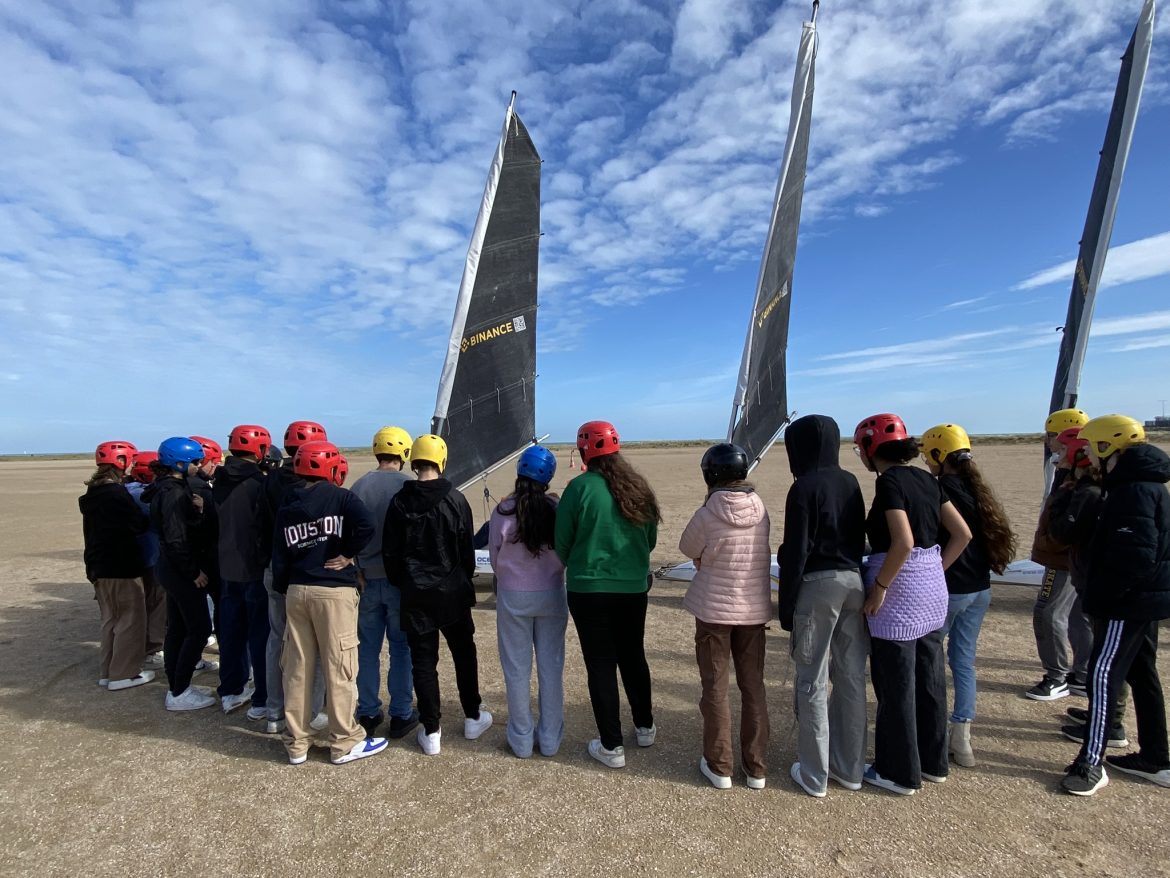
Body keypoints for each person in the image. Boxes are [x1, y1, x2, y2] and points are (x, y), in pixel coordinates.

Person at [854, 413, 972, 795]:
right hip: (932, 593)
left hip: (900, 599)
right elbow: (962, 534)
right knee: (930, 678)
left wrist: (882, 586)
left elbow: (902, 541)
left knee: (896, 683)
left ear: (872, 449)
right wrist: (934, 569)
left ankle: (899, 772)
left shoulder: (889, 482)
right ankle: (933, 762)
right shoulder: (927, 479)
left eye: (860, 449)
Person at [1061, 415, 1170, 795]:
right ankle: (1155, 757)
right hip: (1143, 600)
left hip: (1126, 605)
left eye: (1092, 448)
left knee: (1103, 674)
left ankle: (1091, 763)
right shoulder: (1139, 486)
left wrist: (1106, 598)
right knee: (1142, 674)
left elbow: (1134, 557)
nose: (1088, 455)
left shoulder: (1133, 492)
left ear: (1109, 447)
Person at [272, 439, 387, 766]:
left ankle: (297, 744)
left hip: (297, 591)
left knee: (297, 668)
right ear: (331, 468)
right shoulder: (342, 497)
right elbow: (367, 525)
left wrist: (286, 587)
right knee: (340, 666)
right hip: (333, 593)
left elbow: (279, 553)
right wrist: (348, 554)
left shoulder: (288, 504)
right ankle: (343, 742)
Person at [555, 421, 659, 769]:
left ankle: (612, 746)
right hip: (632, 589)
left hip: (587, 590)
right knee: (633, 656)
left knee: (600, 664)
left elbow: (562, 542)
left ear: (585, 450)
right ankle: (645, 726)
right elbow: (650, 541)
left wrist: (583, 564)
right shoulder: (638, 487)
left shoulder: (578, 488)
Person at [384, 434, 492, 756]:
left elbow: (390, 553)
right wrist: (462, 577)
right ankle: (473, 716)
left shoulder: (399, 502)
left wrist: (403, 582)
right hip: (453, 593)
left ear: (414, 461)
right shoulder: (456, 500)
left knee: (423, 662)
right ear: (441, 461)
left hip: (416, 595)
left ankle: (431, 731)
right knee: (463, 654)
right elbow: (466, 551)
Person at [777, 415, 867, 796]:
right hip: (854, 582)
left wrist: (786, 607)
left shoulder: (803, 488)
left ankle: (814, 774)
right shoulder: (850, 481)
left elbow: (796, 552)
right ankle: (850, 769)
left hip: (819, 587)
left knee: (811, 679)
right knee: (850, 677)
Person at [921, 423, 1016, 768]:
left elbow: (956, 537)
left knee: (929, 660)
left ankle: (930, 732)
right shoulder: (978, 490)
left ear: (938, 455)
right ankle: (962, 739)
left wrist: (936, 570)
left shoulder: (941, 488)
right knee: (963, 662)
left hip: (953, 590)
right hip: (980, 589)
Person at [679, 443, 771, 790]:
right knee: (753, 688)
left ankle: (720, 767)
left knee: (715, 688)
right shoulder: (761, 509)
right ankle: (757, 768)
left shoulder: (708, 512)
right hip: (753, 611)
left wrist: (706, 557)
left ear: (710, 474)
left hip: (714, 613)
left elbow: (688, 548)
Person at [1046, 429, 1128, 748]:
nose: (1059, 453)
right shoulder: (1096, 489)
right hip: (1093, 581)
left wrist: (1063, 494)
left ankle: (1109, 722)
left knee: (1108, 657)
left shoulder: (1089, 492)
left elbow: (1061, 531)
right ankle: (1103, 713)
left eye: (1065, 449)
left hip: (1104, 587)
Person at [489, 445, 567, 759]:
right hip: (551, 593)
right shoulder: (556, 508)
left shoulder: (503, 510)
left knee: (516, 670)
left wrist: (509, 575)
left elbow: (495, 555)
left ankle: (521, 740)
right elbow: (565, 549)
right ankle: (549, 739)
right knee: (551, 667)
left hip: (512, 596)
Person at [349, 426, 418, 739]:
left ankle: (367, 711)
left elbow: (349, 534)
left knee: (367, 650)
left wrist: (359, 569)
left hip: (365, 580)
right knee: (401, 649)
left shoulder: (359, 486)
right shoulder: (409, 486)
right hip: (399, 583)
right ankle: (401, 713)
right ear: (403, 454)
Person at [263, 420, 328, 734]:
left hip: (273, 568)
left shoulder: (267, 480)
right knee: (308, 645)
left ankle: (274, 712)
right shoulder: (314, 487)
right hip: (305, 572)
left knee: (277, 639)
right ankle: (311, 712)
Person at [143, 437, 217, 711]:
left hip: (168, 568)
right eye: (196, 462)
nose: (199, 466)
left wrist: (196, 510)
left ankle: (176, 684)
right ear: (180, 463)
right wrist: (193, 571)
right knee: (198, 629)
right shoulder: (174, 493)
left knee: (177, 628)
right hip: (180, 570)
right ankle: (180, 690)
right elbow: (177, 538)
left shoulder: (164, 488)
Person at [1027, 408, 1094, 701]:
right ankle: (1081, 674)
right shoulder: (1070, 471)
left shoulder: (1077, 479)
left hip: (1063, 559)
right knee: (1078, 617)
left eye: (1053, 436)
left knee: (1048, 612)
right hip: (1070, 558)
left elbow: (1067, 522)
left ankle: (1056, 678)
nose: (1048, 441)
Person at [79, 441, 155, 691]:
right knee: (131, 619)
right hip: (121, 567)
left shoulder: (94, 494)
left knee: (110, 620)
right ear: (120, 462)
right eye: (130, 460)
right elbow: (136, 524)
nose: (132, 465)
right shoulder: (117, 494)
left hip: (99, 566)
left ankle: (108, 671)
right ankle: (124, 673)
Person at [211, 425, 274, 719]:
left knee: (230, 632)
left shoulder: (217, 480)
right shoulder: (258, 484)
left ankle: (231, 690)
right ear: (260, 450)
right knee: (259, 635)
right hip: (253, 568)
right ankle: (261, 697)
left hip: (226, 568)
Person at [127, 450, 167, 668]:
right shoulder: (139, 494)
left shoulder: (126, 490)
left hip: (137, 556)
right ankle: (153, 648)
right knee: (156, 603)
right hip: (150, 555)